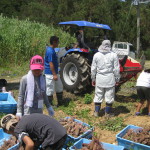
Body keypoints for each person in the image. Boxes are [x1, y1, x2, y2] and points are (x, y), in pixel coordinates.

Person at [0, 114, 67, 150]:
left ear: (8, 129)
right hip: (62, 132)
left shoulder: (18, 129)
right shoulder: (24, 120)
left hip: (54, 138)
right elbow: (36, 136)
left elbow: (30, 144)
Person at [91, 40, 120, 117]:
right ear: (110, 45)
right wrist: (117, 79)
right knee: (109, 96)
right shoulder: (114, 55)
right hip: (110, 79)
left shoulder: (96, 55)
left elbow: (93, 68)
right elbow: (116, 69)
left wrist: (93, 79)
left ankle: (96, 112)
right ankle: (107, 113)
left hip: (99, 78)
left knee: (98, 95)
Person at [44, 36, 63, 106]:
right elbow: (50, 63)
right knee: (50, 89)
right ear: (54, 42)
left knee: (59, 87)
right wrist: (54, 74)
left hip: (55, 72)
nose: (58, 43)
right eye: (57, 42)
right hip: (50, 73)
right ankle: (49, 105)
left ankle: (60, 103)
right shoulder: (50, 51)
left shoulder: (52, 50)